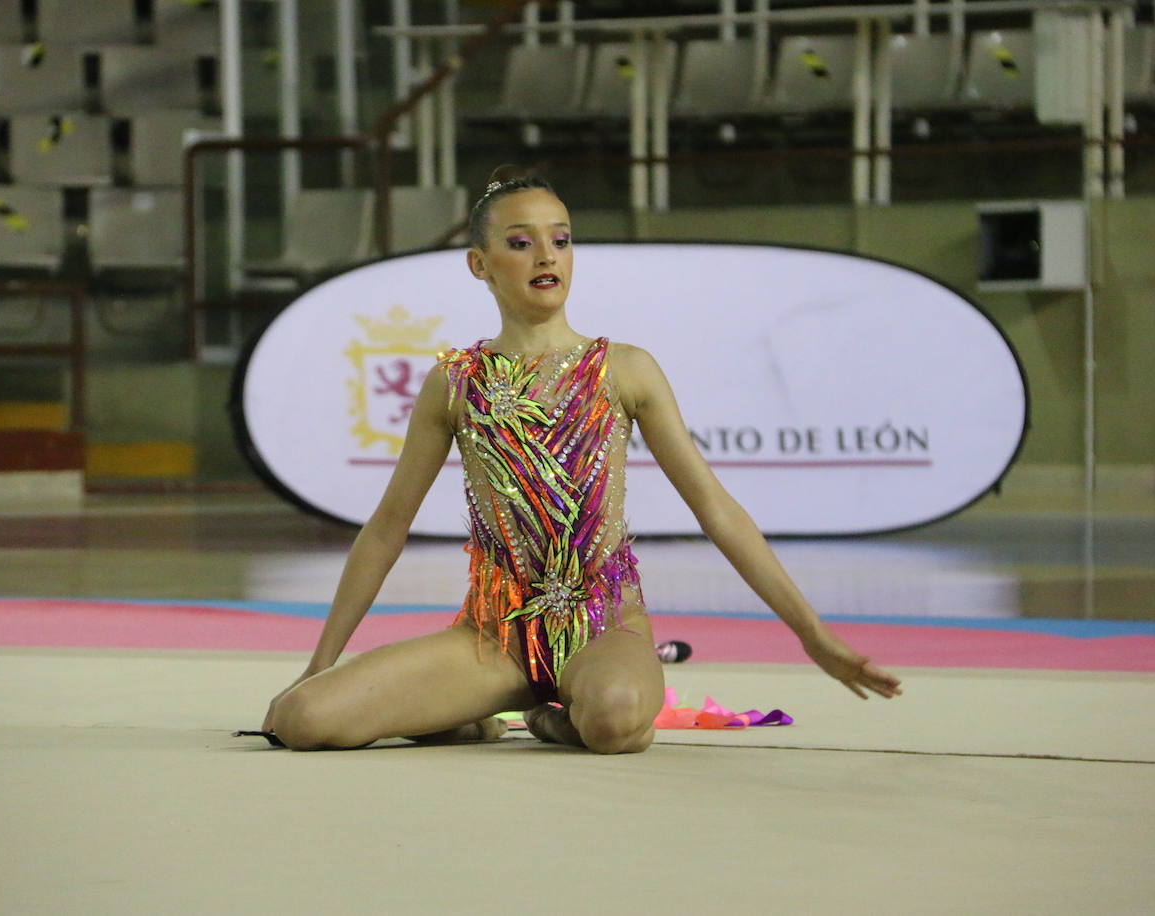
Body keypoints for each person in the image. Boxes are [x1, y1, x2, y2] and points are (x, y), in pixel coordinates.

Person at [260, 166, 902, 754]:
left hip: (605, 626)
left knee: (615, 720)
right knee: (302, 720)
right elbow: (387, 527)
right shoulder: (455, 383)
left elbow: (716, 509)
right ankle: (477, 708)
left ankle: (551, 715)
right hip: (494, 636)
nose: (546, 256)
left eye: (560, 240)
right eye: (521, 243)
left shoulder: (624, 369)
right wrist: (320, 665)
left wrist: (812, 633)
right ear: (479, 264)